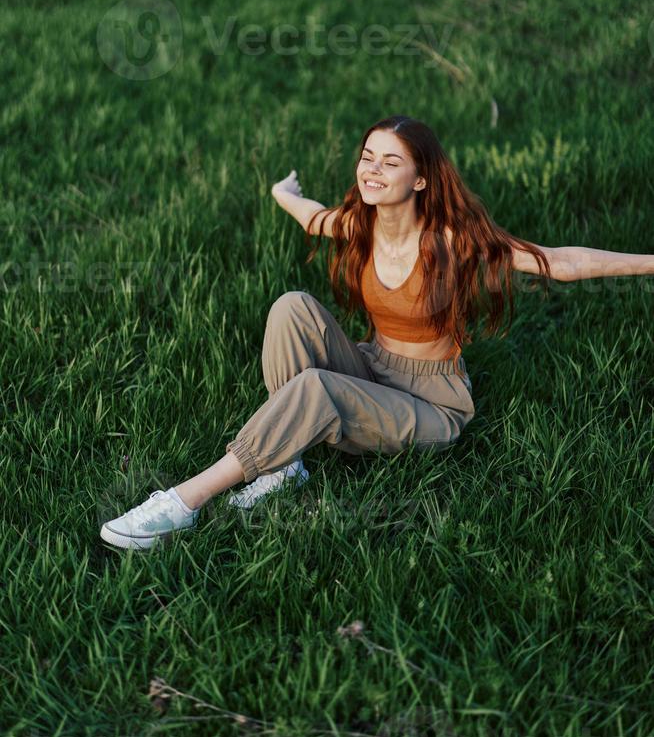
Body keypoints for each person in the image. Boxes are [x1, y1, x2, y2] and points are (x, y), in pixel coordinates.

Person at [99, 115, 652, 550]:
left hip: (432, 404)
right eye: (368, 157)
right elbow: (312, 216)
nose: (372, 170)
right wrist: (282, 192)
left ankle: (183, 502)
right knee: (292, 306)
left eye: (391, 162)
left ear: (420, 179)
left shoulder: (449, 242)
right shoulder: (360, 225)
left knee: (317, 387)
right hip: (374, 368)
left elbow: (559, 261)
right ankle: (284, 465)